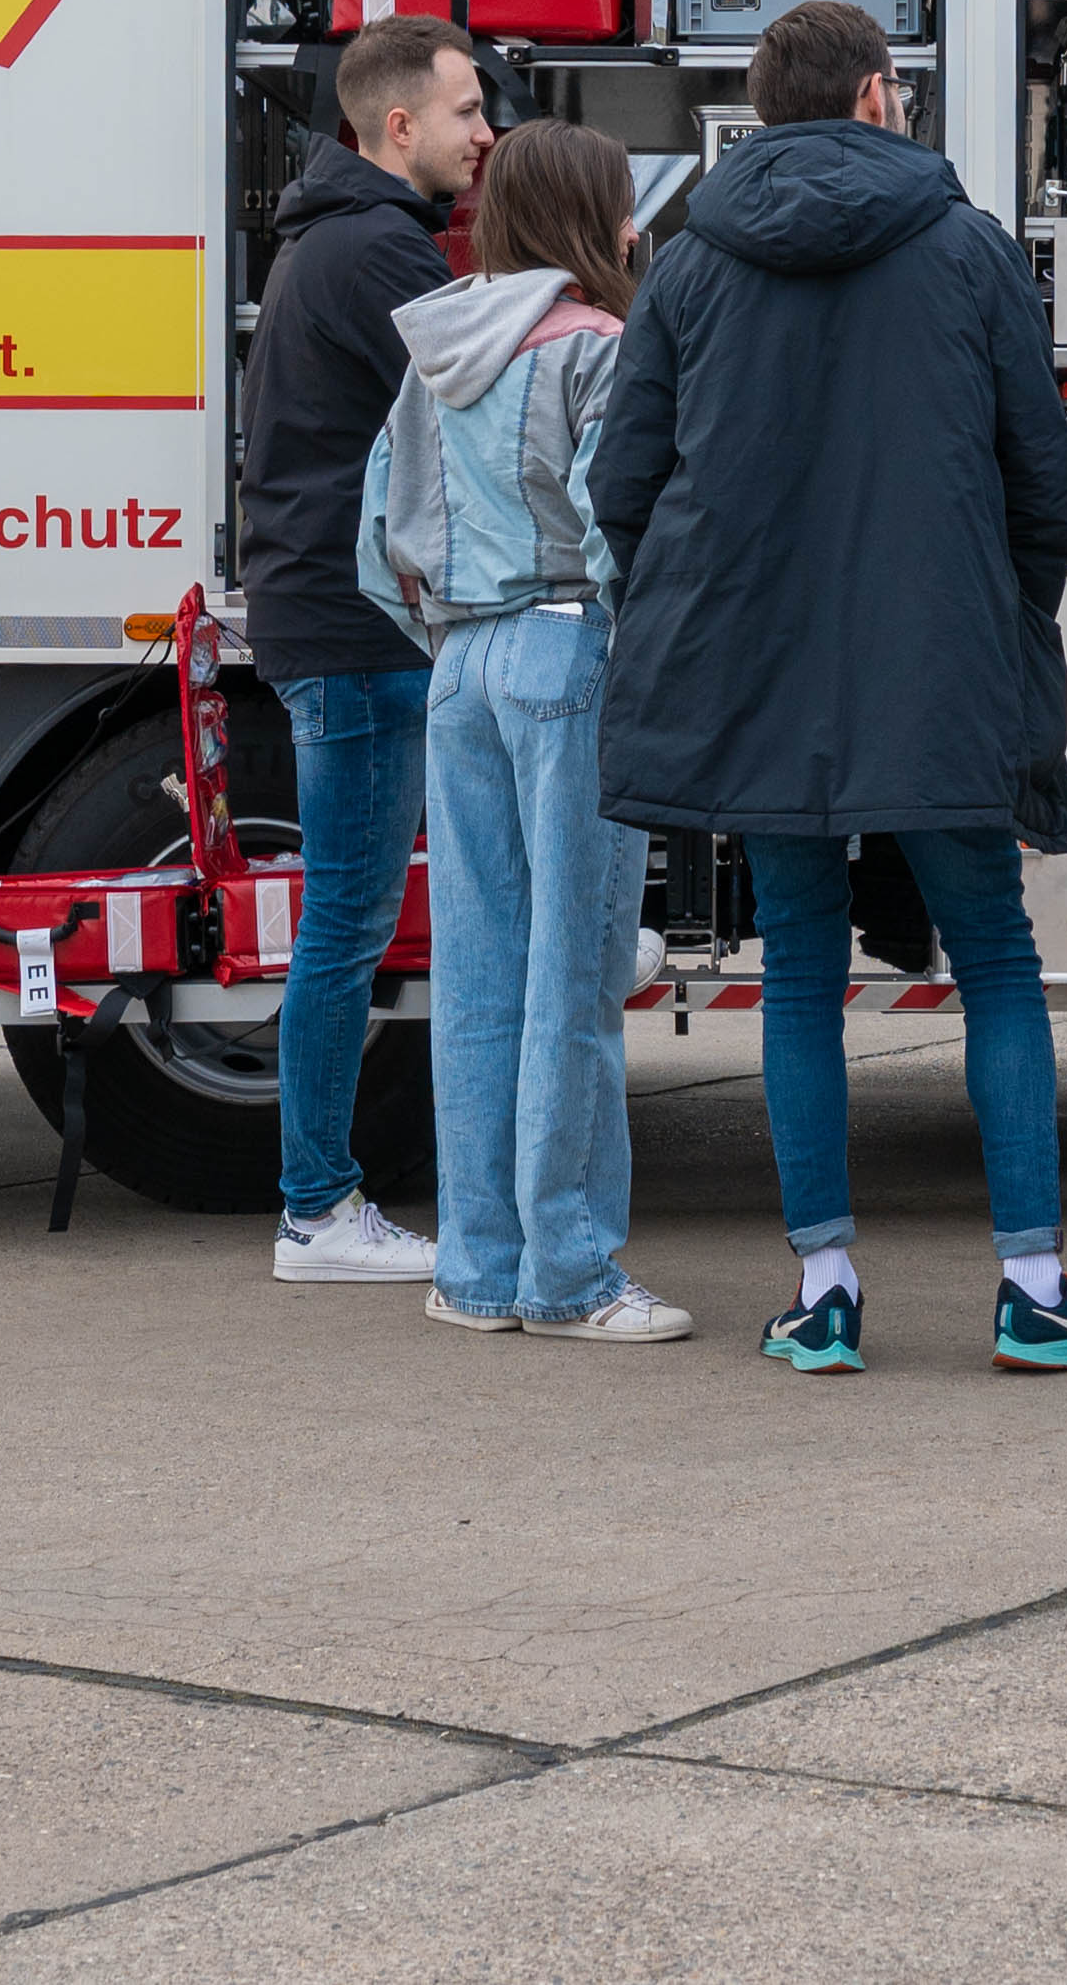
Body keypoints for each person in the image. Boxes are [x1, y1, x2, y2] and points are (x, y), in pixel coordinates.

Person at [589, 0, 1067, 1377]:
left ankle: (824, 1288)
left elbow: (624, 482)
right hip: (943, 655)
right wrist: (1001, 616)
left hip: (758, 662)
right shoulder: (968, 249)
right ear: (874, 97)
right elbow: (1044, 473)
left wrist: (705, 607)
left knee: (797, 965)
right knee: (996, 958)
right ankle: (1033, 1286)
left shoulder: (686, 262)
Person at [361, 119, 685, 1344]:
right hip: (566, 649)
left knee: (481, 974)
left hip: (460, 660)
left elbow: (373, 537)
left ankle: (480, 1267)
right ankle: (573, 1272)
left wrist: (451, 633)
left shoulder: (436, 346)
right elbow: (621, 522)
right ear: (594, 221)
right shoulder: (600, 346)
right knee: (577, 977)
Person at [237, 10, 490, 1287]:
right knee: (345, 920)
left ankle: (318, 1202)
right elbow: (493, 387)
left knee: (353, 913)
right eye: (465, 111)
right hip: (355, 631)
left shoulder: (338, 242)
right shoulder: (376, 256)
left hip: (337, 623)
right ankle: (317, 1208)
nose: (483, 131)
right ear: (398, 126)